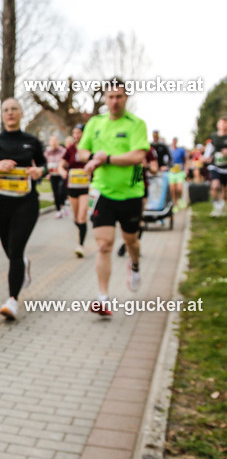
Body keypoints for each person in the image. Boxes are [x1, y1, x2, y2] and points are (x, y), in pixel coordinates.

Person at [79, 78, 149, 317]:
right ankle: (103, 298)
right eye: (110, 97)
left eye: (119, 96)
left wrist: (106, 158)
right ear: (105, 98)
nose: (115, 101)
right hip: (102, 192)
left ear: (126, 97)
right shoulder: (95, 123)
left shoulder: (136, 124)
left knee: (131, 241)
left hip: (130, 193)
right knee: (104, 245)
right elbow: (81, 150)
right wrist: (91, 157)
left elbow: (138, 155)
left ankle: (135, 265)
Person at [0, 98, 47, 320]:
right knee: (10, 250)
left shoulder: (32, 141)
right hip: (0, 203)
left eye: (14, 109)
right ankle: (23, 265)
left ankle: (12, 300)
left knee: (15, 251)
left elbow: (44, 166)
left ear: (21, 113)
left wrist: (40, 172)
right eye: (6, 110)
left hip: (26, 202)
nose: (10, 113)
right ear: (2, 115)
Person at [59, 123, 90, 256]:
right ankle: (81, 230)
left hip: (85, 186)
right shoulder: (70, 149)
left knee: (82, 215)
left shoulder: (89, 147)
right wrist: (62, 172)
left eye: (79, 132)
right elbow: (61, 165)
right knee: (76, 218)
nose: (77, 135)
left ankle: (81, 245)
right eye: (75, 132)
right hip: (72, 186)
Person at [203, 116, 227, 217]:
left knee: (225, 190)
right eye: (221, 123)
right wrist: (206, 157)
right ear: (218, 125)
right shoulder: (213, 137)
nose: (223, 125)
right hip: (215, 166)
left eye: (225, 123)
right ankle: (216, 205)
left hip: (226, 167)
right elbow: (208, 151)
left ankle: (222, 204)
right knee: (215, 185)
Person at [45, 133, 67, 218]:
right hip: (52, 175)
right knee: (55, 193)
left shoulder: (63, 151)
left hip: (61, 174)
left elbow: (66, 162)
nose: (53, 142)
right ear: (49, 142)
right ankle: (58, 210)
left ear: (57, 141)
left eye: (55, 140)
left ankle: (63, 204)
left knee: (61, 191)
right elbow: (45, 163)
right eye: (52, 140)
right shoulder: (47, 152)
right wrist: (47, 173)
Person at [168, 137, 188, 209]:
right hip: (171, 172)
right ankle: (175, 204)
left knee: (179, 189)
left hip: (180, 172)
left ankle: (180, 199)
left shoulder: (181, 150)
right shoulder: (169, 150)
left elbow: (186, 159)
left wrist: (186, 169)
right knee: (173, 190)